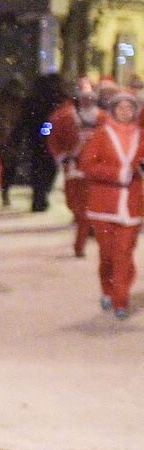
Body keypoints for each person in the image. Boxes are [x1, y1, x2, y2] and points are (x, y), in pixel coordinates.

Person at [79, 90, 142, 319]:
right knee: (107, 254)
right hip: (104, 205)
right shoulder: (101, 135)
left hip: (132, 205)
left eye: (130, 108)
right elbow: (87, 166)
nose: (126, 112)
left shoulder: (141, 136)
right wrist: (117, 173)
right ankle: (107, 289)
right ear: (113, 110)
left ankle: (120, 299)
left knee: (124, 254)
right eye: (121, 107)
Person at [46, 76, 99, 256]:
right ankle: (83, 223)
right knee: (73, 200)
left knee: (87, 204)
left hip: (94, 168)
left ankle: (83, 237)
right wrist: (61, 156)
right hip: (73, 165)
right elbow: (52, 135)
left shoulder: (102, 117)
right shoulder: (63, 115)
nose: (87, 100)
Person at [5, 72, 62, 212]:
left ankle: (39, 197)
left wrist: (17, 138)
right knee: (47, 170)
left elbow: (23, 122)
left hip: (35, 141)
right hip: (46, 141)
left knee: (38, 170)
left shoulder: (33, 101)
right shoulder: (53, 100)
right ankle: (40, 197)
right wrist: (46, 132)